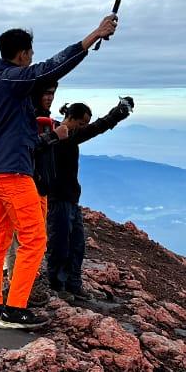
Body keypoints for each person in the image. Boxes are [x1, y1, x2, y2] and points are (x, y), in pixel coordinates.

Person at [0, 14, 118, 330]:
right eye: (31, 54)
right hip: (12, 172)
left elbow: (12, 133)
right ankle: (15, 310)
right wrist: (93, 35)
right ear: (23, 54)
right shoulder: (13, 79)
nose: (33, 60)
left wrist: (48, 134)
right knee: (36, 237)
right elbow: (52, 67)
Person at [38, 97, 134, 300]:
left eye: (84, 125)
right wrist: (117, 113)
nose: (83, 128)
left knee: (76, 244)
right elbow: (96, 128)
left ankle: (73, 284)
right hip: (58, 198)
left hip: (70, 198)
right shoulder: (59, 135)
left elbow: (93, 128)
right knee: (59, 243)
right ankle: (58, 285)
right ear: (70, 118)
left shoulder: (66, 134)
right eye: (81, 123)